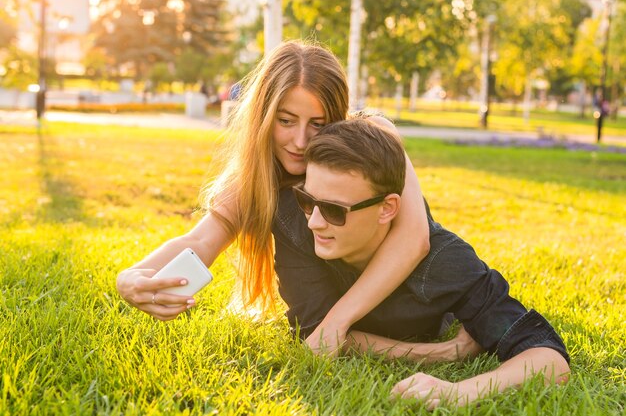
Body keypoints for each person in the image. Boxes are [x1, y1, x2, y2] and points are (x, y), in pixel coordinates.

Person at [116, 40, 435, 355]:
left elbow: (414, 238)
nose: (299, 141)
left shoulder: (374, 137)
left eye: (318, 124)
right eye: (285, 121)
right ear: (264, 116)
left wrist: (335, 323)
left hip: (411, 301)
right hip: (320, 317)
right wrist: (128, 278)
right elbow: (200, 242)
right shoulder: (257, 177)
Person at [273, 119, 570, 408]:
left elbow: (549, 358)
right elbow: (316, 332)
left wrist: (460, 392)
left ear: (387, 208)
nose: (314, 221)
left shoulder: (444, 263)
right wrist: (440, 354)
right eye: (307, 200)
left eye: (333, 210)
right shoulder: (295, 225)